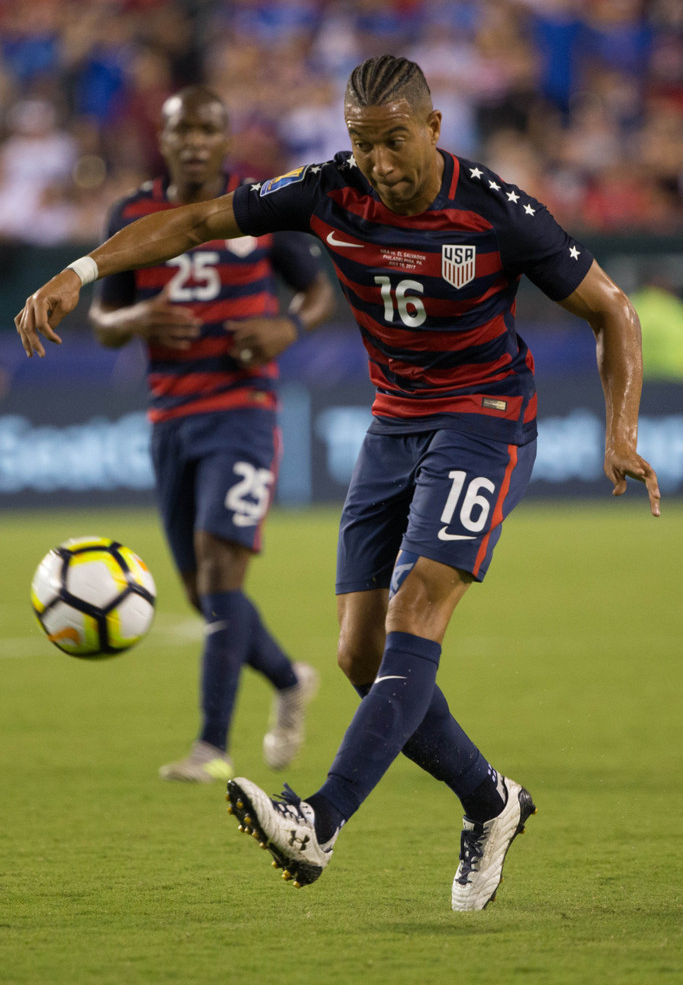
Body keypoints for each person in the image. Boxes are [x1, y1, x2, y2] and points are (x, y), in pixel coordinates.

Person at [16, 56, 660, 911]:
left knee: (413, 615)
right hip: (391, 427)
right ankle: (490, 801)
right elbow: (198, 221)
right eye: (363, 145)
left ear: (433, 128)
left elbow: (611, 308)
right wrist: (79, 273)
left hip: (485, 420)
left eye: (394, 142)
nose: (380, 165)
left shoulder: (496, 212)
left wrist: (619, 429)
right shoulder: (327, 191)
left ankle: (317, 818)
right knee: (359, 654)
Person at [88, 85, 336, 783]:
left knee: (221, 568)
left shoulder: (258, 210)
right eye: (181, 129)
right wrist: (136, 322)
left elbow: (316, 293)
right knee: (202, 592)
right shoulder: (132, 214)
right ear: (161, 140)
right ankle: (289, 680)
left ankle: (210, 746)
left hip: (244, 410)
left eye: (206, 129)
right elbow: (104, 322)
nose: (193, 140)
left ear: (227, 140)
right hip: (171, 419)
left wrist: (286, 326)